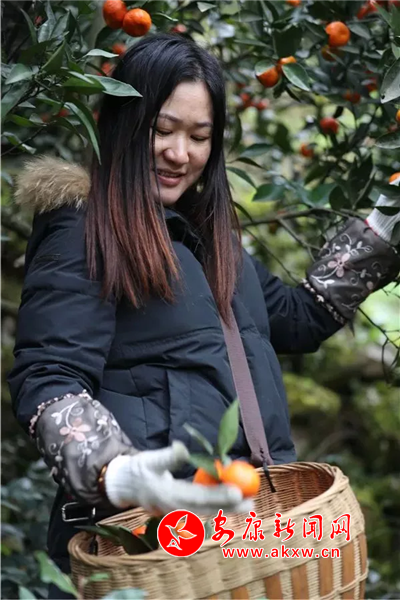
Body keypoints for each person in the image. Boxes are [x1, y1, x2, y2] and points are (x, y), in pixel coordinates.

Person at [8, 33, 400, 593]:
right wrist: (113, 470)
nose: (180, 154)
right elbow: (49, 375)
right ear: (122, 124)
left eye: (199, 137)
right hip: (146, 542)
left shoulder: (211, 244)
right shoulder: (85, 230)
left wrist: (383, 227)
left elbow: (299, 317)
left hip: (240, 537)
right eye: (162, 130)